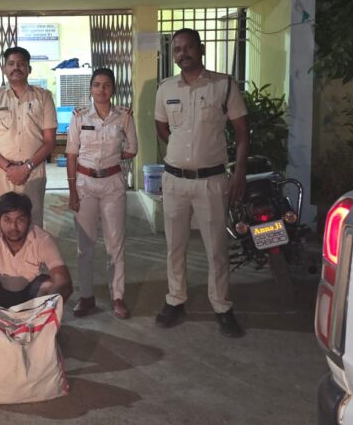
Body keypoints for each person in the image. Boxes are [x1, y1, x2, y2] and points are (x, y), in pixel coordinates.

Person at [153, 28, 249, 338]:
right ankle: (175, 299)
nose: (183, 53)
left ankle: (221, 306)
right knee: (175, 246)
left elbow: (242, 132)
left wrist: (239, 172)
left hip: (211, 182)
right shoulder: (166, 88)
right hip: (174, 181)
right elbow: (162, 127)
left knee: (216, 248)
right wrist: (183, 150)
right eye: (177, 49)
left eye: (188, 47)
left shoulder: (223, 85)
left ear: (201, 48)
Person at [65, 68, 137, 319]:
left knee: (115, 243)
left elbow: (133, 148)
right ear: (91, 88)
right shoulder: (79, 116)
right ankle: (86, 296)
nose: (101, 89)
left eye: (106, 85)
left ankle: (117, 297)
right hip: (84, 184)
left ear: (113, 88)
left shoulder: (124, 116)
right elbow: (71, 154)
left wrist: (112, 159)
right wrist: (72, 191)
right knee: (85, 244)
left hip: (112, 185)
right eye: (96, 84)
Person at [0, 192, 73, 313]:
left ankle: (38, 319)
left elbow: (63, 281)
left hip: (31, 298)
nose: (13, 227)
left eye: (20, 220)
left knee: (51, 285)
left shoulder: (42, 239)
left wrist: (48, 310)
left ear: (29, 220)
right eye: (7, 219)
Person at [0, 47, 57, 227]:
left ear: (29, 69)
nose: (16, 68)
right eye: (11, 64)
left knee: (33, 221)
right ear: (4, 69)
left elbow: (49, 141)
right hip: (2, 172)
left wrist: (26, 167)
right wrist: (9, 168)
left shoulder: (44, 98)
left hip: (33, 170)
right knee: (3, 223)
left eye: (21, 64)